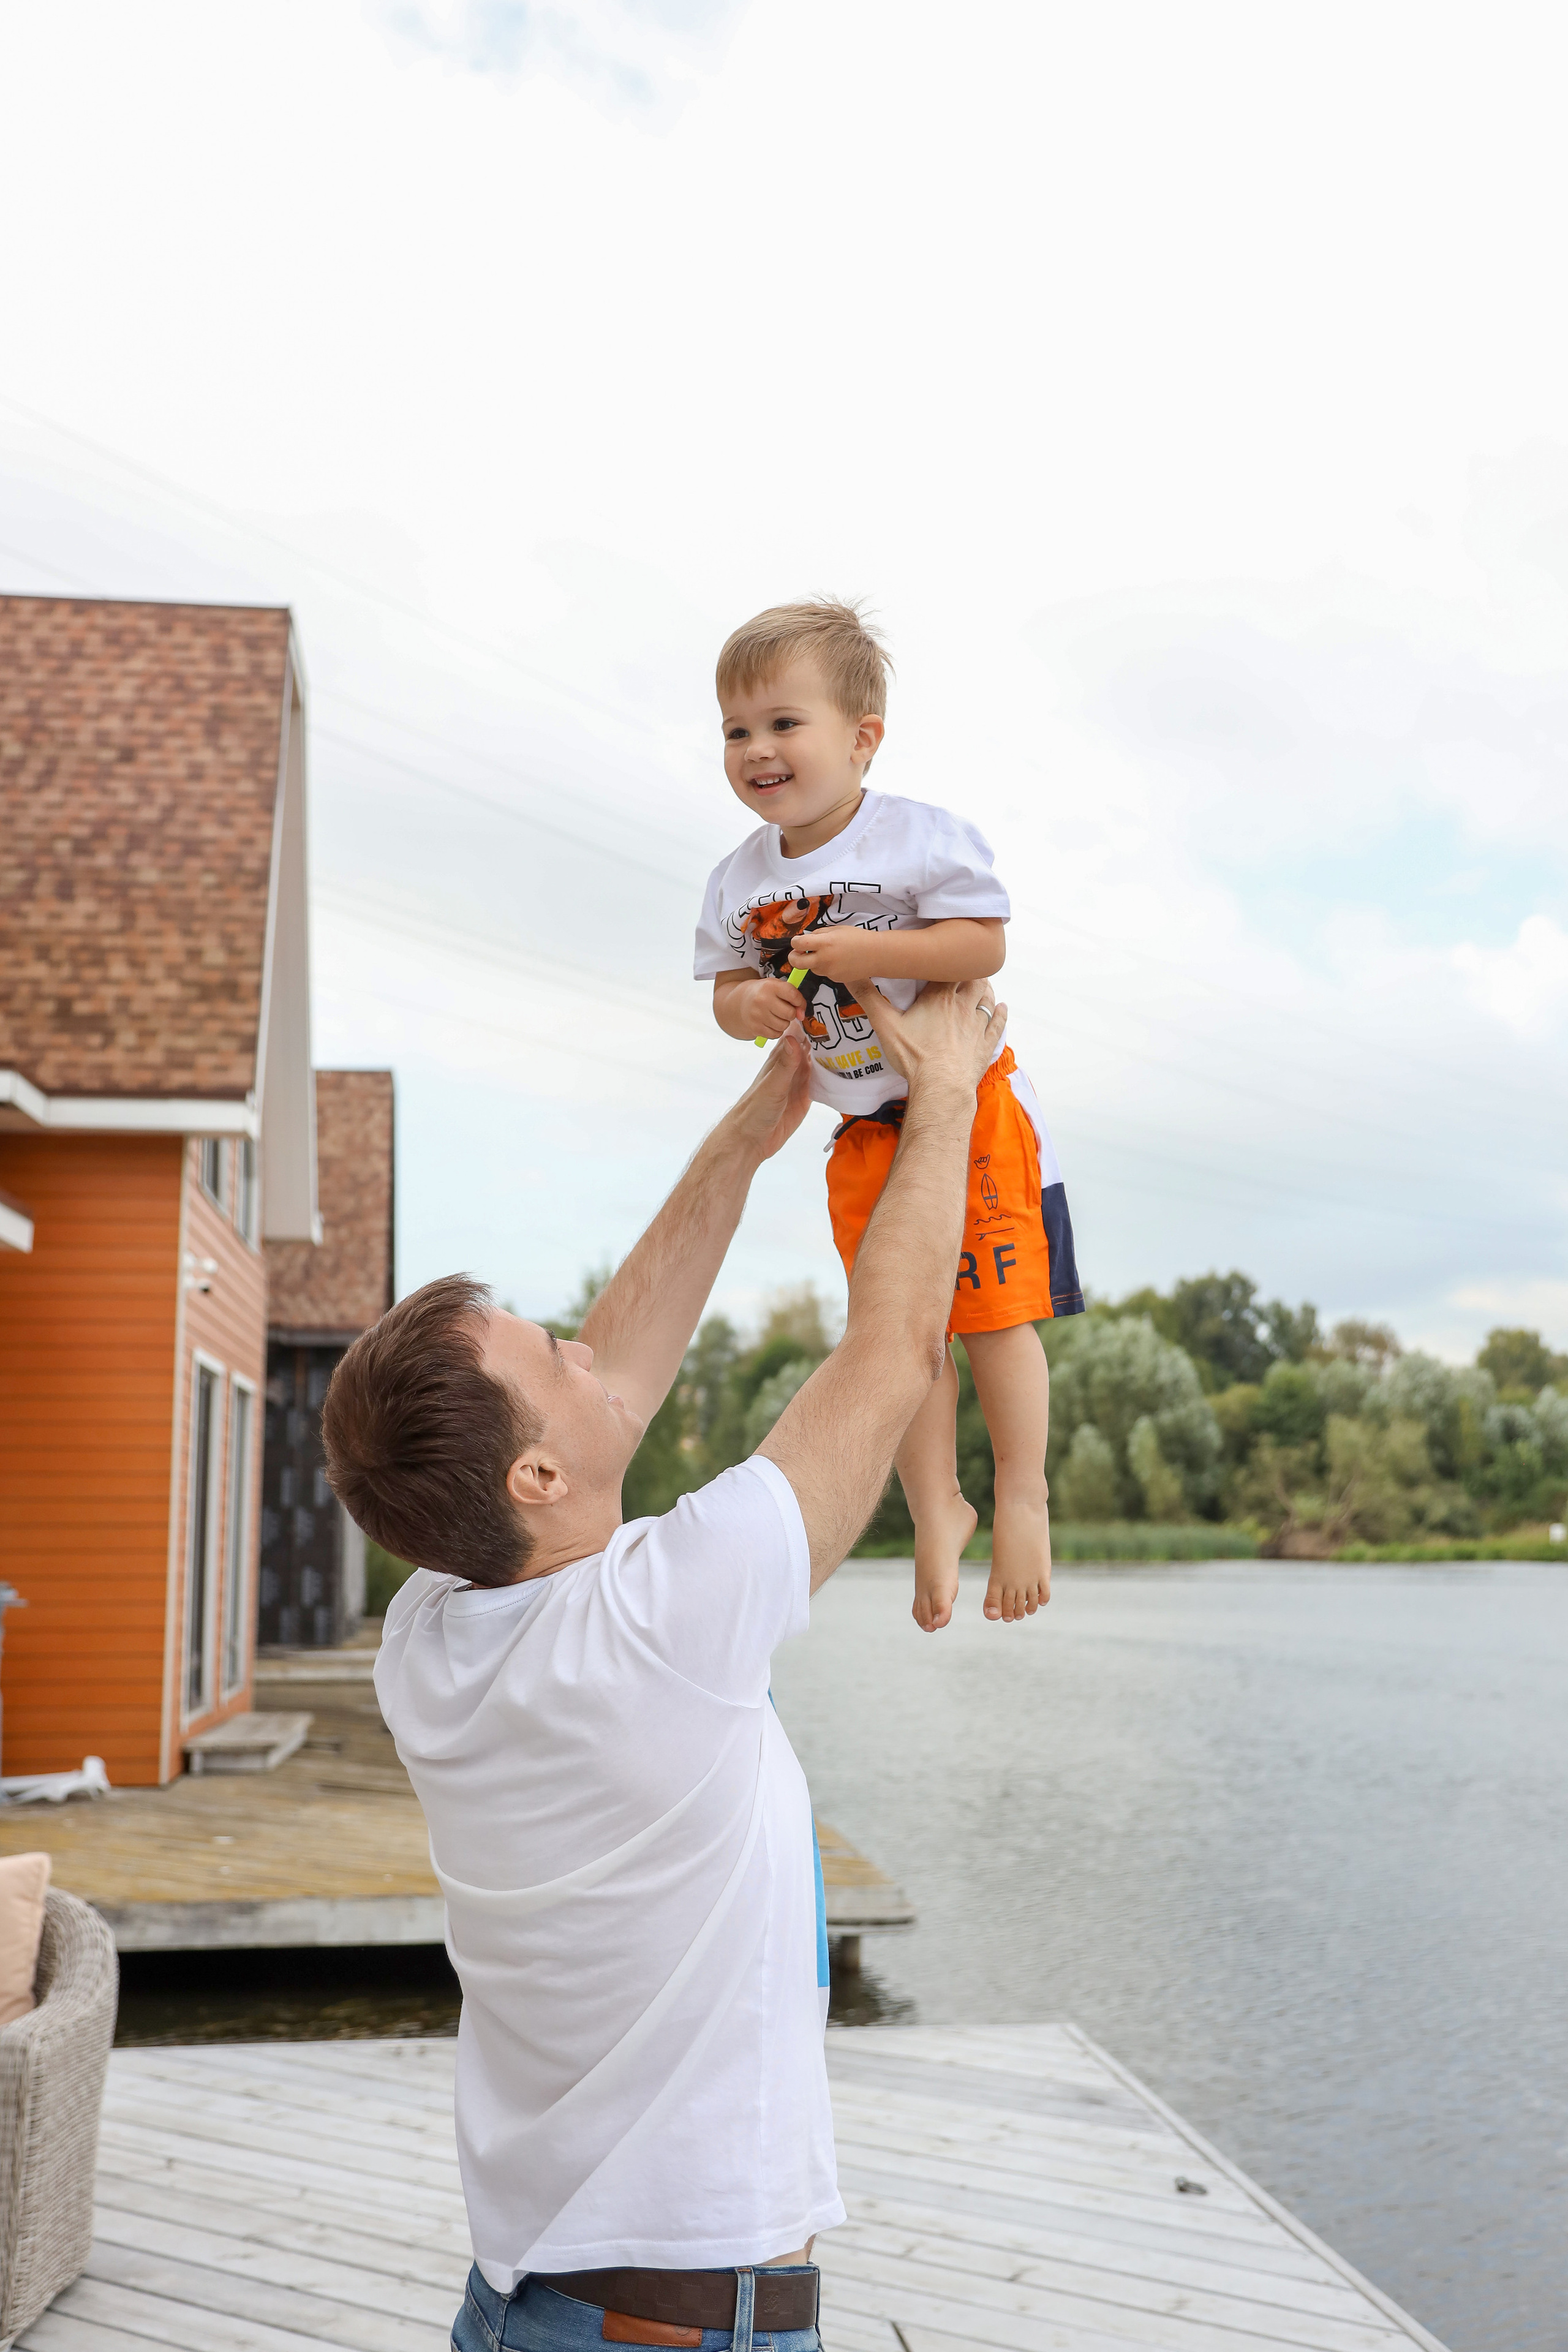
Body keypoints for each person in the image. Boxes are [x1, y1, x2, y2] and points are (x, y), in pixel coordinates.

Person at [320, 978, 1014, 2352]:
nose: (590, 1346)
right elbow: (888, 1353)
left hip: (537, 2305)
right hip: (679, 2331)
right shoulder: (664, 1617)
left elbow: (609, 1388)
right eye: (554, 1352)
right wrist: (944, 1100)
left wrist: (757, 1131)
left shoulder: (430, 1638)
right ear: (532, 1473)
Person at [696, 598, 1084, 1634]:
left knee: (993, 1311)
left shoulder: (915, 838)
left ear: (862, 738)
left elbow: (981, 946)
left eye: (785, 723)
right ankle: (935, 1505)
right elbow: (726, 993)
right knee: (896, 1334)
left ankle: (1021, 1495)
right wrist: (753, 1007)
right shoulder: (739, 881)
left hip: (970, 1103)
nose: (757, 749)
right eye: (737, 729)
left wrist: (875, 954)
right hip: (869, 1131)